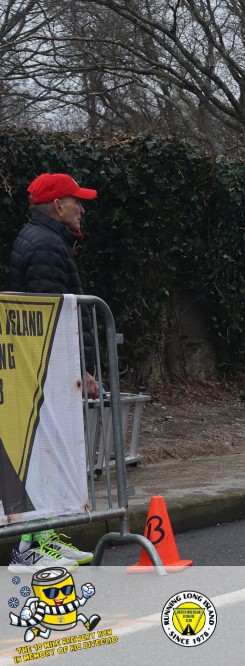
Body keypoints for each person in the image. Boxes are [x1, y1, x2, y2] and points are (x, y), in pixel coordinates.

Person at [6, 173, 103, 570]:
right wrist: (79, 369)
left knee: (44, 458)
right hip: (47, 368)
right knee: (44, 458)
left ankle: (42, 538)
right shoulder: (46, 245)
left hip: (42, 366)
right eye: (76, 201)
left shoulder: (43, 238)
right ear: (58, 206)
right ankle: (29, 547)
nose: (82, 208)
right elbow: (53, 318)